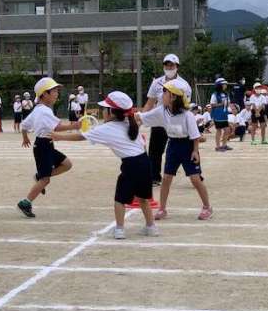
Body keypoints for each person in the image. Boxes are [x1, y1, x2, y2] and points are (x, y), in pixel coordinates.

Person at [51, 91, 158, 239]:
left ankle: (119, 230)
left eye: (105, 108)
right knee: (143, 197)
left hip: (131, 164)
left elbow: (81, 136)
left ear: (112, 112)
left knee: (120, 199)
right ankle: (151, 227)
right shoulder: (130, 122)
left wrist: (59, 137)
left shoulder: (107, 128)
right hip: (145, 162)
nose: (103, 111)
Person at [137, 78, 213, 221]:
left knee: (195, 179)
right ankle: (162, 209)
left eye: (165, 92)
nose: (162, 95)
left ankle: (207, 207)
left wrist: (195, 151)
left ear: (173, 96)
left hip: (187, 146)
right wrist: (130, 116)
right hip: (172, 145)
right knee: (166, 178)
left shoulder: (187, 115)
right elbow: (143, 117)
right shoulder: (162, 110)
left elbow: (195, 136)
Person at [17, 77, 78, 218]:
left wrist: (25, 137)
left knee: (67, 164)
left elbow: (24, 125)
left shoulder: (38, 109)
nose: (57, 93)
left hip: (46, 145)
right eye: (54, 91)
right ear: (44, 94)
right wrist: (74, 125)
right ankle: (25, 202)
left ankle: (39, 176)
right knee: (45, 180)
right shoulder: (44, 111)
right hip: (43, 146)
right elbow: (57, 127)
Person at [142, 53, 192, 186]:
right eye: (167, 65)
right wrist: (142, 117)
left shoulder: (184, 84)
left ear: (177, 67)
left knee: (183, 147)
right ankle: (154, 177)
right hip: (160, 119)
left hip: (177, 120)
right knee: (155, 150)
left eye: (172, 65)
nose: (169, 68)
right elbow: (150, 103)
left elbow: (186, 105)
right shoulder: (156, 82)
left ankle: (195, 174)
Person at [210, 77, 232, 152]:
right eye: (224, 84)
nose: (225, 85)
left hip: (224, 114)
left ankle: (224, 145)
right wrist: (221, 104)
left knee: (227, 130)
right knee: (219, 130)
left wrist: (227, 105)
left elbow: (228, 103)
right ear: (219, 85)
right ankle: (218, 146)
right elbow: (212, 105)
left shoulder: (226, 94)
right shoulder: (215, 94)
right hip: (218, 114)